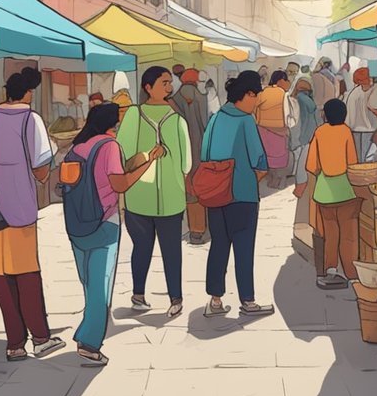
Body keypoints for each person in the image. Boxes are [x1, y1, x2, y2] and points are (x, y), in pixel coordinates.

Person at [65, 103, 163, 366]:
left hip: (76, 223)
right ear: (111, 123)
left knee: (88, 283)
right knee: (101, 287)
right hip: (104, 222)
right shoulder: (109, 146)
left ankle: (86, 330)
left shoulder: (77, 148)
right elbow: (120, 183)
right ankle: (89, 343)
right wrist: (149, 163)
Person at [0, 67, 64, 362]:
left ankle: (14, 343)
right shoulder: (31, 119)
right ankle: (40, 338)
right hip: (19, 209)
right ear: (29, 92)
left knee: (0, 277)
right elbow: (41, 169)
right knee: (26, 275)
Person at [117, 66, 191, 318]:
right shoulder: (177, 120)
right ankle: (175, 298)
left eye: (170, 83)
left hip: (138, 195)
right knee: (172, 250)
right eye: (165, 83)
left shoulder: (133, 116)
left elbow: (123, 152)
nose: (170, 88)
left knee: (141, 247)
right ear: (148, 87)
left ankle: (138, 295)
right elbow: (187, 163)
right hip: (171, 196)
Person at [201, 70, 274, 317]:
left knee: (219, 245)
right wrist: (251, 178)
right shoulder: (246, 120)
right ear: (248, 94)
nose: (257, 103)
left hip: (215, 193)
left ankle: (215, 300)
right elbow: (260, 160)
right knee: (243, 248)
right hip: (242, 194)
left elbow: (204, 154)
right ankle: (248, 301)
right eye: (256, 97)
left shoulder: (215, 118)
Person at [306, 98, 360, 289]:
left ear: (325, 115)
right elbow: (352, 161)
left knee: (331, 234)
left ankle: (330, 269)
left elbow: (311, 165)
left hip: (325, 193)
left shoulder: (319, 132)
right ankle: (352, 273)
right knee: (349, 234)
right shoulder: (346, 131)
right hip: (345, 190)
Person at [171, 69, 210, 244]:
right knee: (203, 187)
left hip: (182, 149)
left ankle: (193, 229)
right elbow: (205, 123)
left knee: (188, 189)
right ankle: (203, 228)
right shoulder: (201, 97)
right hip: (200, 147)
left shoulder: (172, 100)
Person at [255, 70, 292, 186]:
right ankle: (278, 180)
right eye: (286, 80)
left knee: (268, 154)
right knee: (279, 154)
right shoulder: (284, 94)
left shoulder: (263, 92)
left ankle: (271, 178)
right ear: (280, 80)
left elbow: (254, 108)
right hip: (280, 130)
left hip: (263, 129)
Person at [290, 76, 318, 197]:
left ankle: (300, 186)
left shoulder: (294, 98)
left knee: (300, 161)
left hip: (300, 133)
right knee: (303, 162)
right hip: (306, 134)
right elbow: (312, 108)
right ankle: (301, 187)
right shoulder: (303, 98)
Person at [345, 68, 377, 162]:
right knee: (368, 157)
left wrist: (348, 127)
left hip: (355, 129)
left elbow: (350, 114)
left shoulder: (354, 94)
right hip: (371, 129)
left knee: (357, 157)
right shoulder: (376, 91)